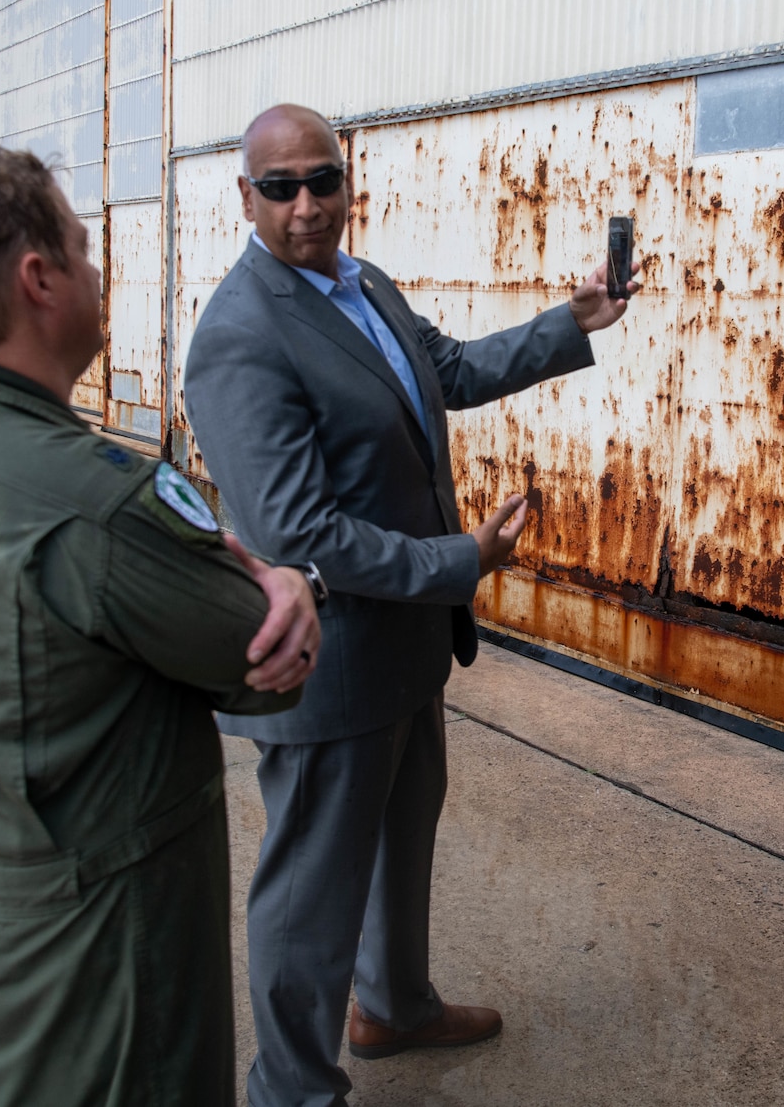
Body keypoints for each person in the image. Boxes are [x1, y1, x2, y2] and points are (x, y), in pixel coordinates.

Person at [182, 103, 636, 1107]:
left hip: (402, 648)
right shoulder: (240, 336)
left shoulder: (361, 284)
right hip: (330, 661)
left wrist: (574, 322)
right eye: (280, 187)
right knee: (309, 893)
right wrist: (459, 558)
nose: (307, 205)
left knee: (404, 826)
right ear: (244, 197)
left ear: (348, 181)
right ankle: (292, 1088)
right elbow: (300, 534)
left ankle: (391, 1003)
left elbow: (450, 370)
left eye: (323, 181)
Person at [0, 146, 321, 1106]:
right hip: (102, 979)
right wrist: (284, 582)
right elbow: (269, 660)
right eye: (81, 248)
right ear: (39, 279)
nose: (97, 272)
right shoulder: (89, 500)